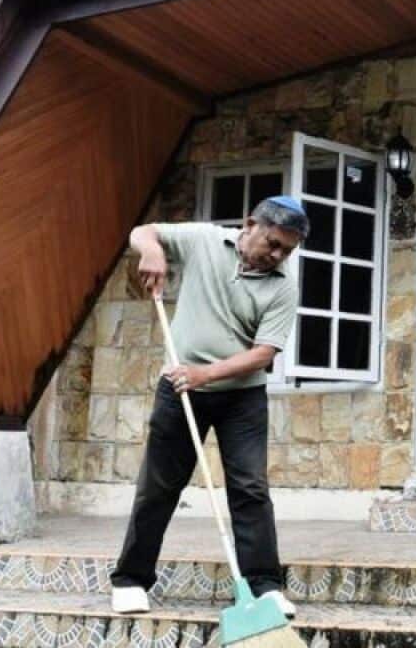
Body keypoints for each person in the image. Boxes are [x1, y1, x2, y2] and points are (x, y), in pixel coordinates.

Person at [109, 196, 308, 617]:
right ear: (250, 224)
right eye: (272, 244)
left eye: (286, 251)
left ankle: (266, 586)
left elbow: (262, 354)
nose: (277, 256)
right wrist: (151, 251)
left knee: (250, 489)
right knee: (158, 487)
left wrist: (207, 374)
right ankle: (130, 580)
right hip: (180, 391)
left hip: (242, 398)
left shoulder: (284, 284)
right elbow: (143, 231)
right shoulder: (203, 241)